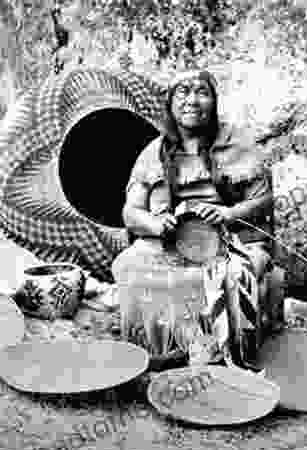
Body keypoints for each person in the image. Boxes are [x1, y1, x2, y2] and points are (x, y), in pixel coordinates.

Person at [111, 69, 280, 370]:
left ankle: (222, 355)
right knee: (128, 265)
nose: (192, 100)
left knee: (233, 277)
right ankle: (158, 355)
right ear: (171, 104)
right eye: (183, 92)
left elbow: (264, 201)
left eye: (201, 92)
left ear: (214, 102)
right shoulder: (155, 152)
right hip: (170, 245)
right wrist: (154, 224)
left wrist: (228, 214)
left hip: (235, 243)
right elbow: (130, 212)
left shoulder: (238, 145)